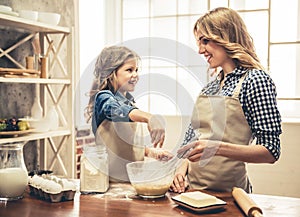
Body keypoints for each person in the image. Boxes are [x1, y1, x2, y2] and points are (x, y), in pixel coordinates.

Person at [171, 7, 282, 193]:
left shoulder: (256, 81)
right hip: (192, 194)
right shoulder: (210, 88)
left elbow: (270, 151)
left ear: (225, 37)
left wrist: (216, 147)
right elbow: (190, 143)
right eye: (198, 42)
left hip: (231, 196)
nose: (200, 50)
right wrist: (180, 171)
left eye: (205, 41)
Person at [85, 45, 172, 182]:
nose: (135, 74)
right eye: (129, 70)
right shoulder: (104, 98)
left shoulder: (130, 102)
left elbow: (123, 146)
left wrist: (151, 152)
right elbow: (116, 109)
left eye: (136, 70)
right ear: (111, 73)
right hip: (108, 181)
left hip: (130, 179)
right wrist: (150, 118)